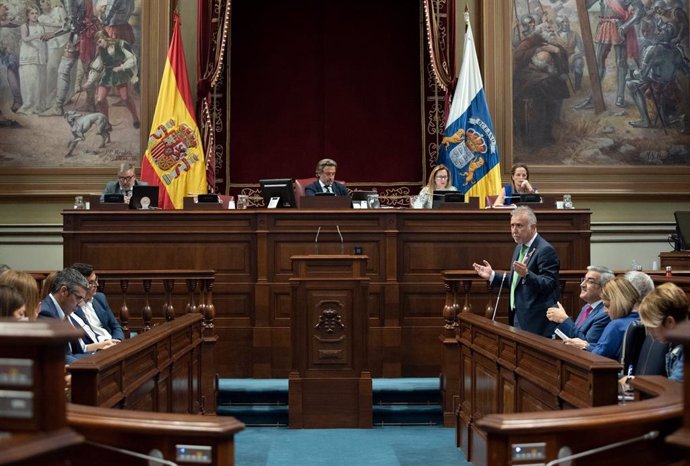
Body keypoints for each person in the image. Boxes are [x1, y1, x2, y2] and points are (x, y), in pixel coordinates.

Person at [473, 206, 560, 337]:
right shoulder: (519, 247)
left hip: (536, 322)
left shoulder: (545, 250)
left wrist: (527, 274)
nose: (514, 230)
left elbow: (548, 284)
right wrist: (492, 275)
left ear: (533, 227)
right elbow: (516, 280)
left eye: (519, 226)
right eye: (512, 225)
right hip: (517, 315)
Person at [38, 267, 117, 363]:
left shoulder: (62, 311)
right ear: (63, 291)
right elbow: (62, 358)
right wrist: (95, 359)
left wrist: (97, 353)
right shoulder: (46, 313)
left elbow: (75, 351)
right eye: (78, 298)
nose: (80, 304)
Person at [564, 277, 640, 360]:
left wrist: (584, 346)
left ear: (618, 302)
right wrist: (587, 345)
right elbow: (604, 348)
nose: (605, 310)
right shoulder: (643, 319)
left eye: (607, 305)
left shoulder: (617, 325)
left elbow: (599, 355)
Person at [84, 29, 140, 128]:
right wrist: (89, 81)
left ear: (106, 38)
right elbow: (97, 65)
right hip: (108, 74)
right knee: (100, 100)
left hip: (120, 72)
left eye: (100, 41)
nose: (99, 45)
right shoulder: (101, 50)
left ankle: (135, 118)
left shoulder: (120, 44)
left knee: (125, 98)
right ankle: (106, 123)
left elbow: (132, 58)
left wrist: (122, 67)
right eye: (97, 43)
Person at [546, 265, 614, 344]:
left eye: (590, 281)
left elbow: (585, 344)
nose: (582, 284)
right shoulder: (586, 307)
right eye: (584, 279)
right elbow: (575, 333)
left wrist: (564, 319)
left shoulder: (605, 313)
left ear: (604, 287)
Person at [638, 282, 688, 382]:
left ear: (669, 322)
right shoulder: (673, 344)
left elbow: (672, 388)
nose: (649, 333)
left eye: (652, 327)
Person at [72, 262, 124, 341]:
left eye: (96, 280)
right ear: (78, 284)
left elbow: (115, 326)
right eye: (91, 283)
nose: (97, 284)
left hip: (112, 343)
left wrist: (117, 340)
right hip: (96, 348)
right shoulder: (72, 306)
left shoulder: (100, 298)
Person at [16, 5, 47, 115]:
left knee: (39, 82)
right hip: (29, 56)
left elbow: (44, 40)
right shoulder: (25, 26)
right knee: (29, 81)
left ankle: (37, 106)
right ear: (28, 16)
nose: (34, 15)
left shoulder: (40, 26)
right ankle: (28, 104)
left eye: (36, 13)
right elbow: (25, 39)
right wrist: (37, 36)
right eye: (32, 13)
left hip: (39, 56)